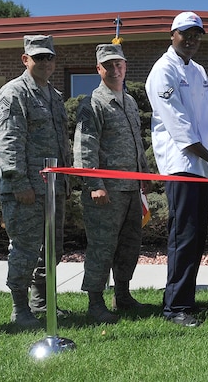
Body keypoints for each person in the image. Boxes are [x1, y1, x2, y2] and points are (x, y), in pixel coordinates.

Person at [145, 11, 208, 327]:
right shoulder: (162, 71)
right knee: (183, 235)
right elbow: (180, 129)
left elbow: (207, 117)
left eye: (197, 34)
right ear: (173, 34)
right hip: (181, 165)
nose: (192, 39)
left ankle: (184, 302)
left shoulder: (198, 71)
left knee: (194, 237)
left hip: (201, 166)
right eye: (186, 33)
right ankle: (175, 308)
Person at [0, 35, 71, 328]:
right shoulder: (13, 93)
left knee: (52, 249)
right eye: (38, 57)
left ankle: (41, 301)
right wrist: (18, 181)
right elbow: (9, 141)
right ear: (25, 59)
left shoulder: (54, 96)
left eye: (49, 57)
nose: (45, 62)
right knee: (25, 249)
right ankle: (19, 308)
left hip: (53, 188)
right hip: (25, 188)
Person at [73, 44, 150, 324]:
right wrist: (95, 184)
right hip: (106, 191)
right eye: (108, 65)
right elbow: (85, 147)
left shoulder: (128, 101)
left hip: (130, 189)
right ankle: (95, 302)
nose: (115, 69)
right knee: (102, 247)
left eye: (119, 64)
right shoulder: (92, 103)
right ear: (99, 69)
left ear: (125, 66)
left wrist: (144, 174)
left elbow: (136, 143)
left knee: (129, 245)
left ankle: (123, 295)